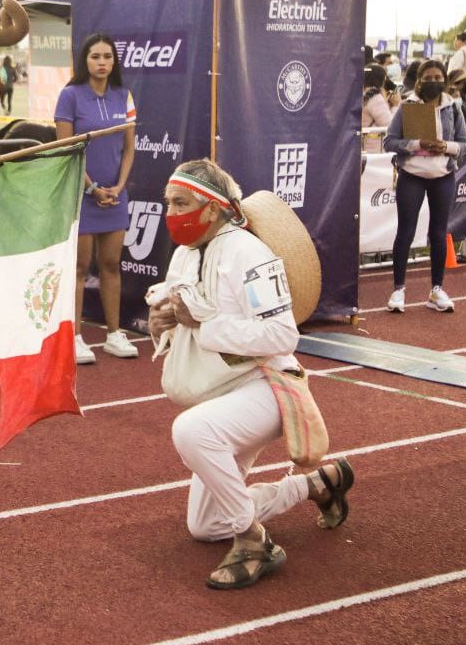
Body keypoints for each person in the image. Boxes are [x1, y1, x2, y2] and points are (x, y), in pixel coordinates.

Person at [147, 158, 354, 589]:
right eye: (167, 203)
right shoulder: (184, 256)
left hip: (266, 387)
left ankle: (254, 541)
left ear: (211, 208)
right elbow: (183, 324)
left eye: (180, 202)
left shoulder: (250, 253)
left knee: (191, 432)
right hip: (222, 395)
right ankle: (317, 484)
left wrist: (201, 325)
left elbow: (282, 335)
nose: (170, 213)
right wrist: (160, 328)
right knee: (206, 526)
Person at [54, 33, 139, 364]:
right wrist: (92, 188)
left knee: (110, 265)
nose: (102, 62)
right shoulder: (70, 96)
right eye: (95, 57)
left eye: (107, 56)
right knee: (79, 267)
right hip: (81, 194)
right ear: (84, 61)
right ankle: (74, 337)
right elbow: (66, 149)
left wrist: (118, 187)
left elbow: (129, 147)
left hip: (115, 197)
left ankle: (114, 335)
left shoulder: (124, 96)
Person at [383, 58, 466, 313]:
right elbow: (390, 141)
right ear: (419, 80)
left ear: (444, 80)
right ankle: (398, 289)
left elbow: (465, 144)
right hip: (412, 175)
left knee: (439, 233)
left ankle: (436, 289)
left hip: (443, 176)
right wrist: (417, 144)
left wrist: (446, 147)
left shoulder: (453, 108)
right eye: (428, 78)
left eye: (437, 78)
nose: (433, 82)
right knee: (405, 232)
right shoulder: (407, 107)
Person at [361, 63, 392, 152]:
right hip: (374, 150)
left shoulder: (362, 95)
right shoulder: (374, 97)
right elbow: (389, 125)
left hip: (362, 147)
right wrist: (396, 106)